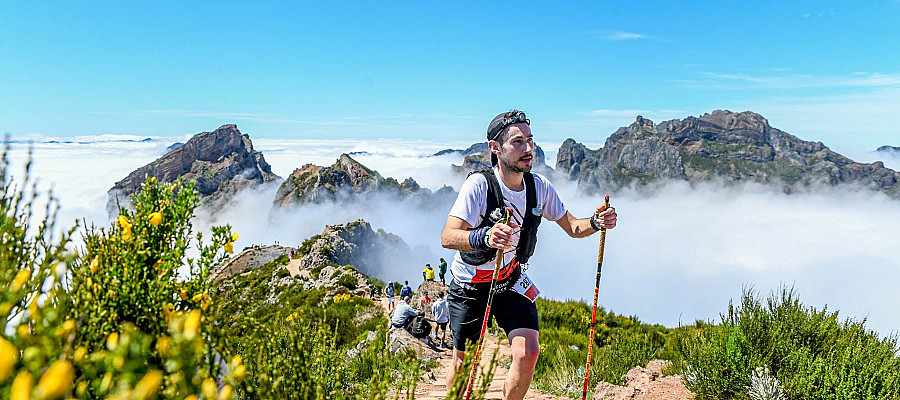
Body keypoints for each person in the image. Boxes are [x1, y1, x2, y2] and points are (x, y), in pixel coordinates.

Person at [440, 109, 617, 399]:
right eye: (518, 142)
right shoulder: (479, 186)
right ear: (495, 148)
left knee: (528, 352)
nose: (528, 148)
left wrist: (597, 222)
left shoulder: (539, 187)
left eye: (530, 140)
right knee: (464, 363)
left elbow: (573, 226)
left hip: (509, 279)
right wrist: (485, 236)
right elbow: (448, 236)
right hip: (470, 284)